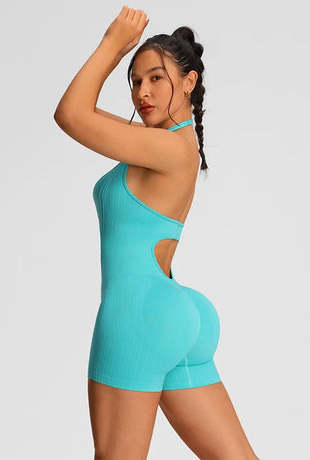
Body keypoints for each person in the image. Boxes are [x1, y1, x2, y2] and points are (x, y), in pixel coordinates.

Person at [54, 6, 260, 460]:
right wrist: (119, 55)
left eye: (156, 78)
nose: (142, 92)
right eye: (134, 81)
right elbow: (83, 112)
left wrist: (113, 43)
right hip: (177, 314)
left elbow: (69, 114)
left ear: (188, 83)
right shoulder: (168, 144)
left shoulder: (167, 148)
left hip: (137, 314)